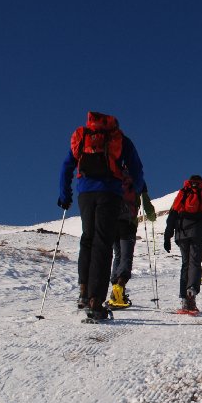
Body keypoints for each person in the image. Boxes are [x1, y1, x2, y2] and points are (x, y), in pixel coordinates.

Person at [58, 111, 145, 322]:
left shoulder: (83, 136)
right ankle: (95, 302)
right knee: (102, 243)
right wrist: (136, 188)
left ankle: (83, 292)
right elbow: (136, 168)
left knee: (87, 239)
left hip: (85, 194)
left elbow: (67, 165)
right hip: (110, 193)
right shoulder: (120, 139)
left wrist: (64, 193)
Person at [162, 175, 202, 313]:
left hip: (182, 233)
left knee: (185, 264)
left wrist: (167, 236)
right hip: (200, 233)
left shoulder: (183, 193)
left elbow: (172, 215)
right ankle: (191, 292)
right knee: (195, 262)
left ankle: (183, 299)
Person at [107, 173, 156, 308]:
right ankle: (119, 289)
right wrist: (151, 216)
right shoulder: (138, 180)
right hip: (128, 224)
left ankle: (115, 291)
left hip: (112, 222)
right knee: (126, 257)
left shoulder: (114, 176)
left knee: (118, 255)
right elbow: (146, 202)